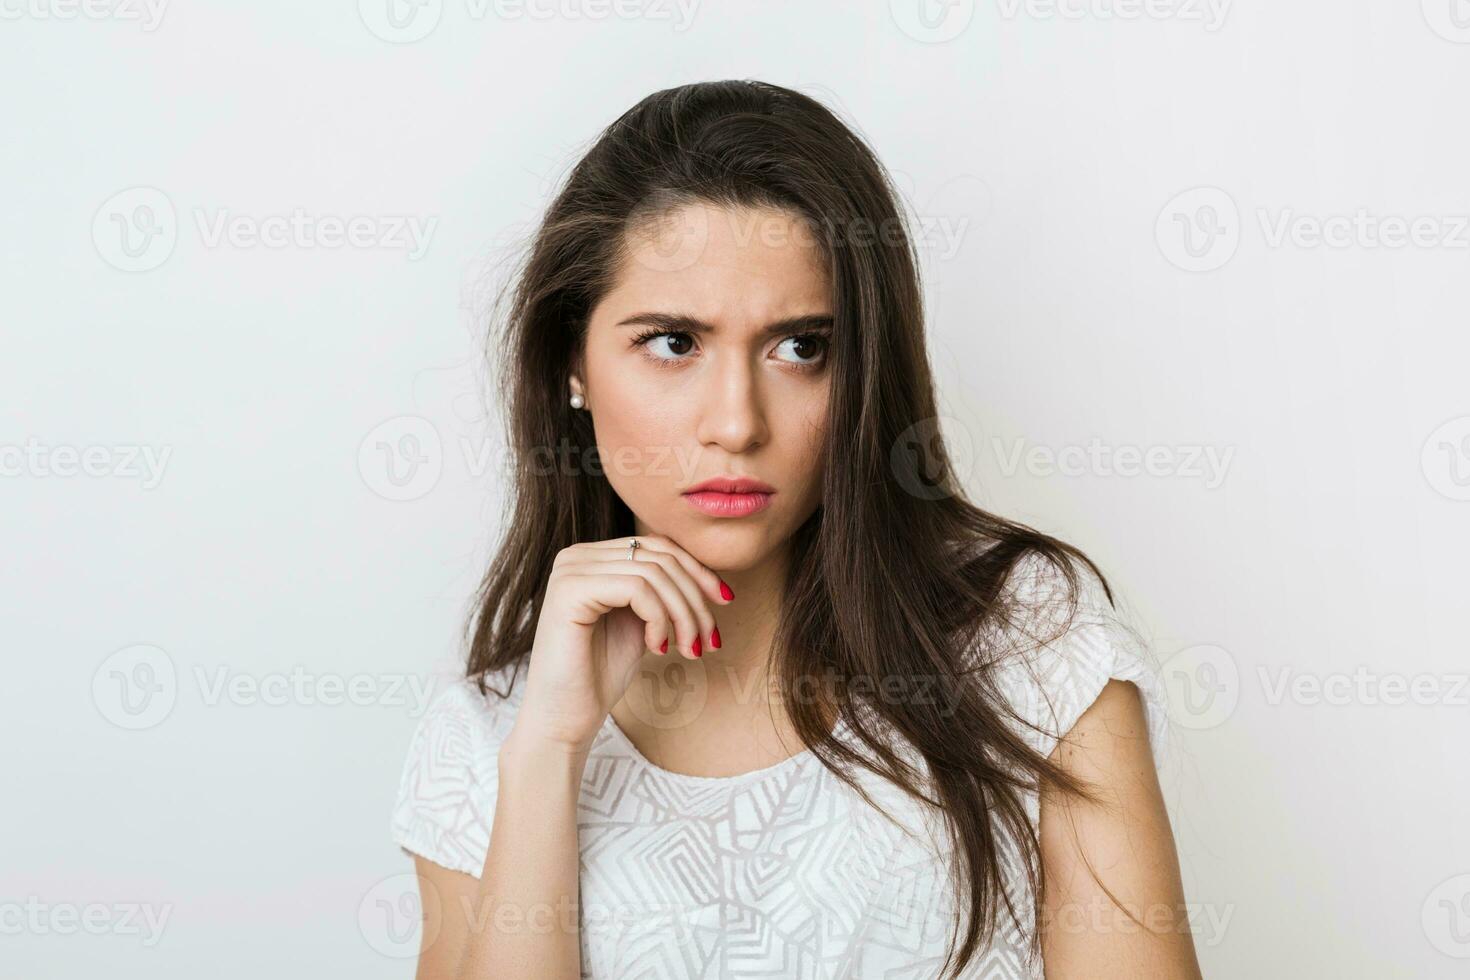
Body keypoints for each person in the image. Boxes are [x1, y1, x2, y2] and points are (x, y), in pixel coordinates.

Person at [390, 79, 1203, 979]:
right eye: (671, 342)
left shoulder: (1035, 660)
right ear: (569, 365)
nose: (736, 423)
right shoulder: (486, 741)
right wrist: (546, 753)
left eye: (801, 348)